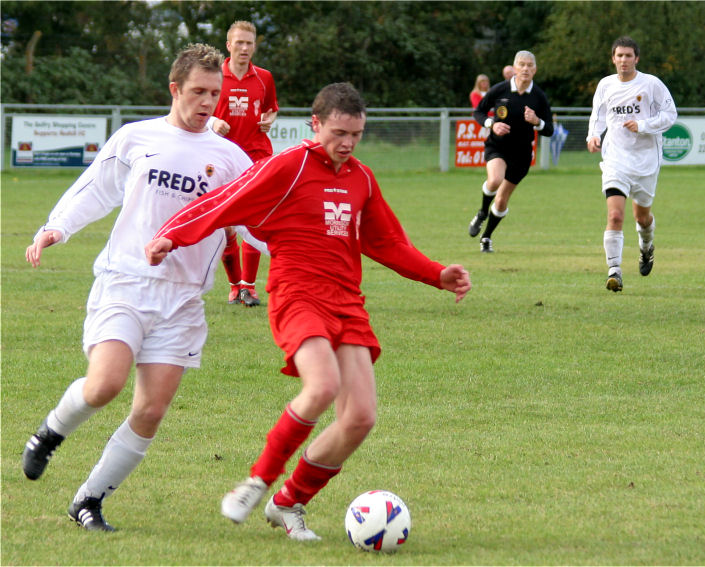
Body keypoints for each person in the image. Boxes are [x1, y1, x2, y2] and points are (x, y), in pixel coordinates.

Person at [145, 82, 472, 541]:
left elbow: (386, 242)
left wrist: (437, 274)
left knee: (359, 418)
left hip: (347, 303)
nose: (347, 143)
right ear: (314, 124)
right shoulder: (287, 166)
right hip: (297, 294)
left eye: (356, 134)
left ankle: (288, 502)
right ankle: (257, 481)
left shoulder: (361, 178)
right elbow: (225, 202)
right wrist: (172, 235)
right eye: (339, 132)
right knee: (321, 386)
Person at [20, 43, 253, 531]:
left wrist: (313, 247)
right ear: (175, 89)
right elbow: (96, 188)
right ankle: (49, 433)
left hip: (184, 298)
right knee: (104, 385)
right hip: (126, 281)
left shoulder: (231, 158)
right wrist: (55, 227)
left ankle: (88, 500)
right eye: (198, 92)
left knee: (150, 411)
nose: (208, 102)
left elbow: (258, 221)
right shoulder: (135, 138)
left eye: (216, 93)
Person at [586, 36, 677, 292]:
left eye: (628, 56)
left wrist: (644, 126)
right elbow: (598, 115)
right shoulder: (605, 85)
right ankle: (614, 271)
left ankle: (646, 247)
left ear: (636, 58)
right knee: (615, 215)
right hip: (615, 159)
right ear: (613, 58)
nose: (623, 60)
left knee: (642, 217)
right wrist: (593, 135)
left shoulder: (651, 84)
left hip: (646, 161)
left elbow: (671, 115)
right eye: (619, 56)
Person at [208, 21, 279, 306]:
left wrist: (268, 121)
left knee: (255, 220)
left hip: (256, 157)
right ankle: (235, 286)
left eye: (249, 43)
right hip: (222, 157)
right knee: (226, 225)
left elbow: (272, 108)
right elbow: (197, 110)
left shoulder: (264, 77)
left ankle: (248, 287)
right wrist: (214, 122)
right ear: (228, 45)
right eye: (239, 43)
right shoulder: (214, 77)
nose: (245, 48)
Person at [468, 50, 554, 252]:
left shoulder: (539, 97)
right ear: (515, 68)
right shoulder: (500, 90)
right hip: (497, 146)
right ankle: (481, 212)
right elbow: (478, 111)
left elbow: (549, 129)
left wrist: (537, 121)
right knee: (495, 180)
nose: (525, 69)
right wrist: (491, 124)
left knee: (502, 200)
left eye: (529, 65)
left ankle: (487, 237)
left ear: (535, 69)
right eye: (521, 64)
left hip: (522, 154)